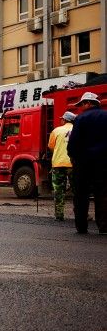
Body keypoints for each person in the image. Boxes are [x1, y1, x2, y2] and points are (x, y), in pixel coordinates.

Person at [66, 91, 107, 234]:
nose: (81, 107)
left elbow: (73, 143)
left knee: (81, 194)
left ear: (88, 103)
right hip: (103, 162)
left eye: (81, 104)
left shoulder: (81, 118)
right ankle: (104, 226)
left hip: (83, 163)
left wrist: (73, 156)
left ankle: (82, 227)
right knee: (103, 194)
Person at [48, 111, 76, 221]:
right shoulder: (77, 130)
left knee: (59, 190)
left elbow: (51, 146)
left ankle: (59, 215)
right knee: (77, 190)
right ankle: (81, 214)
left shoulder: (56, 130)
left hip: (58, 164)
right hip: (73, 164)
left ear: (64, 120)